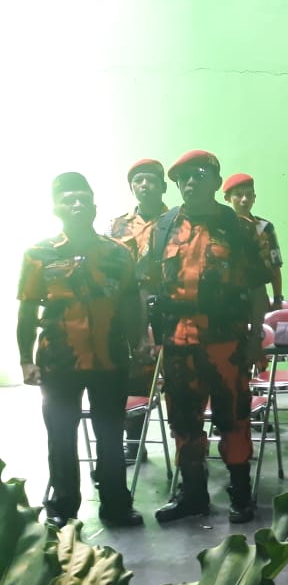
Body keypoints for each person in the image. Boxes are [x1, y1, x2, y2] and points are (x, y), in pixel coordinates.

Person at [139, 150, 270, 524]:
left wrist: (255, 338)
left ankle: (240, 492)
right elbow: (146, 285)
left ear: (215, 181)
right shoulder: (162, 229)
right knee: (183, 420)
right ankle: (193, 493)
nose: (191, 183)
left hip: (225, 342)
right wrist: (148, 335)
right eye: (183, 178)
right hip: (178, 342)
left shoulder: (238, 229)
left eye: (199, 175)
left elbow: (257, 289)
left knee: (233, 417)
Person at [18, 172, 144, 528]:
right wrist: (25, 360)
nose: (76, 204)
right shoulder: (38, 254)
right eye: (68, 199)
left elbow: (131, 304)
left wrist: (139, 344)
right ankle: (64, 507)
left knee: (110, 435)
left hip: (110, 358)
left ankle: (116, 505)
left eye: (83, 199)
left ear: (94, 206)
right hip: (59, 360)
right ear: (55, 208)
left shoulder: (118, 253)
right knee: (61, 436)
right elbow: (27, 310)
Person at [110, 158, 168, 464]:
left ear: (163, 186)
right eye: (138, 181)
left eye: (151, 180)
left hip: (169, 304)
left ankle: (187, 451)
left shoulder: (177, 220)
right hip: (133, 306)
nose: (144, 185)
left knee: (180, 377)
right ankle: (134, 443)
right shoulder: (118, 225)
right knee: (135, 375)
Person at [223, 173, 286, 310]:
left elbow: (275, 266)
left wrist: (277, 298)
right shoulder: (222, 228)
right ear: (227, 198)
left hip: (257, 292)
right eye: (238, 195)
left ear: (254, 198)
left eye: (249, 195)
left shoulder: (264, 227)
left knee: (259, 324)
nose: (244, 199)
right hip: (228, 295)